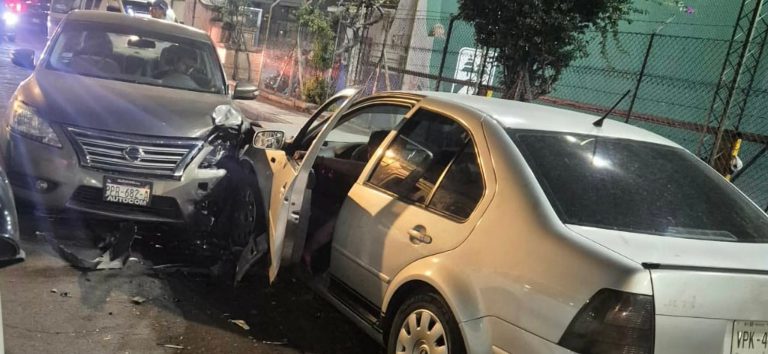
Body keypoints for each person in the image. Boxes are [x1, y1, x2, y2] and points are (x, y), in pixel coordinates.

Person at [299, 130, 390, 271]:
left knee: (337, 221)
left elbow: (355, 169)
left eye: (372, 149)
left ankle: (308, 252)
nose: (369, 153)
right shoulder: (393, 166)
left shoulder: (381, 169)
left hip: (372, 215)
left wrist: (321, 160)